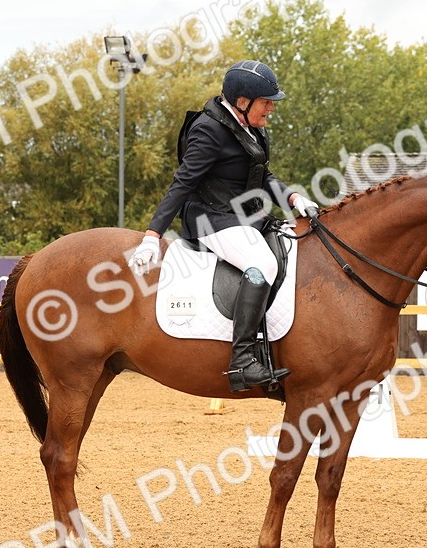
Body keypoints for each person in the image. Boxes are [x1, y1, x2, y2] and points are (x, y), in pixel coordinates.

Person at [129, 60, 319, 391]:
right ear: (242, 101)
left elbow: (264, 173)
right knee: (261, 265)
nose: (271, 108)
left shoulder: (251, 126)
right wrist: (151, 235)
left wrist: (291, 199)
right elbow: (183, 183)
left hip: (246, 216)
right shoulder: (209, 129)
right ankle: (242, 360)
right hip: (209, 218)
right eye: (266, 101)